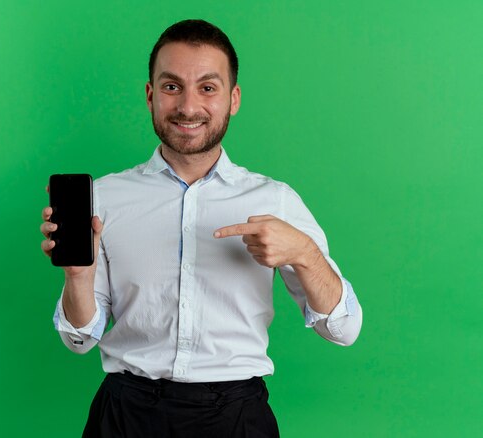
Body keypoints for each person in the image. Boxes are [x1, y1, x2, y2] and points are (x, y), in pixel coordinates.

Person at [40, 19, 362, 438]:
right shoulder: (105, 198)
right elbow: (79, 340)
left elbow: (342, 330)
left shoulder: (275, 200)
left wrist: (305, 254)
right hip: (124, 416)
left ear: (234, 99)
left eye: (207, 88)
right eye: (172, 86)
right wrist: (77, 277)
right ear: (151, 96)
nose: (188, 107)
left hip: (236, 418)